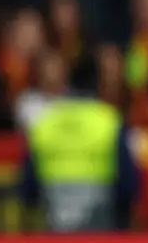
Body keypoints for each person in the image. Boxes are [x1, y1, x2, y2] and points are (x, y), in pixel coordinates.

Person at [19, 61, 137, 233]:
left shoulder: (44, 122)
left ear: (66, 83)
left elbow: (28, 188)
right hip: (100, 228)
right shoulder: (109, 121)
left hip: (54, 228)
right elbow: (128, 185)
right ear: (98, 85)